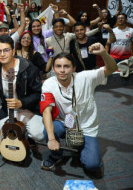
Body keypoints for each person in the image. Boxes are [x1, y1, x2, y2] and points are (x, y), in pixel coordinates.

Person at [40, 45, 118, 178]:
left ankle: (81, 147)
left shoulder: (86, 77)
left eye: (67, 66)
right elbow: (46, 111)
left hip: (86, 127)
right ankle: (56, 155)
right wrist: (52, 138)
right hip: (64, 123)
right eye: (58, 66)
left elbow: (112, 69)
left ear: (74, 68)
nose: (62, 70)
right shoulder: (48, 83)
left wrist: (104, 53)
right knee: (48, 129)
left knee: (92, 165)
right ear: (53, 69)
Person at [0, 35, 44, 146]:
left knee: (39, 135)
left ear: (13, 51)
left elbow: (38, 93)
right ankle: (19, 129)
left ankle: (24, 132)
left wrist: (22, 102)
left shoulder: (28, 68)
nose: (2, 54)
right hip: (8, 110)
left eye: (6, 50)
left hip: (28, 109)